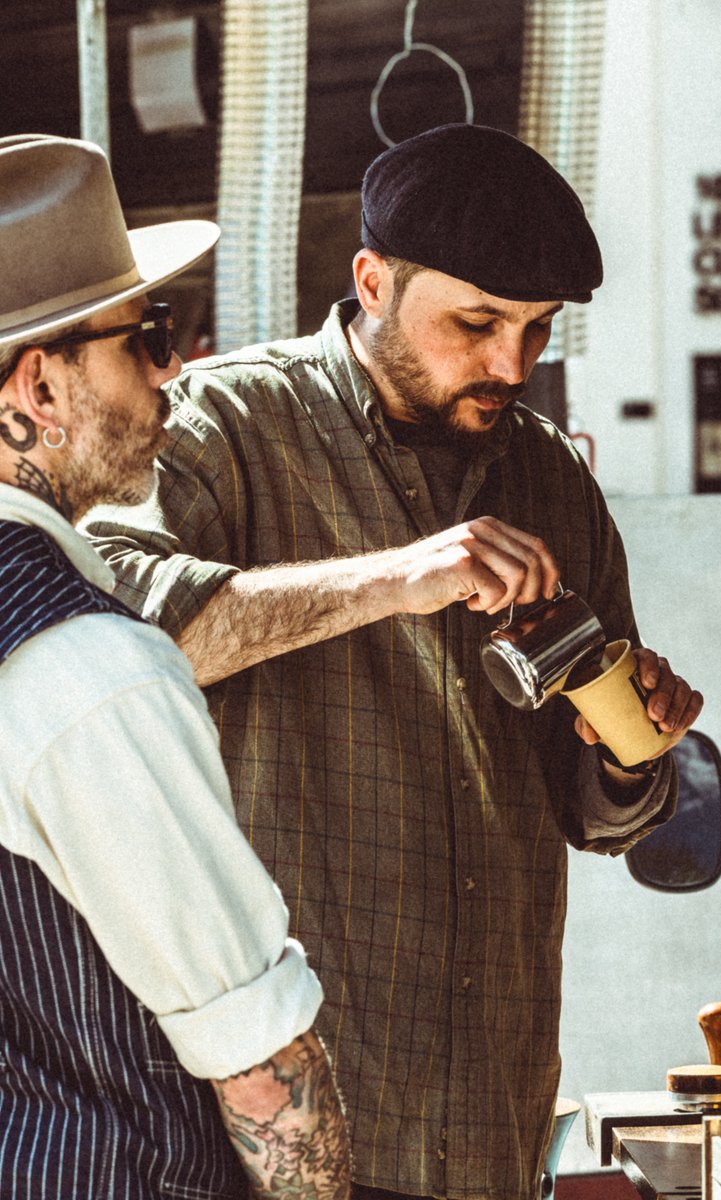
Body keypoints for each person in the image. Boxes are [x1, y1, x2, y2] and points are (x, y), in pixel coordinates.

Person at [83, 123, 703, 1200]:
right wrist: (396, 579)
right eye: (476, 323)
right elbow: (111, 629)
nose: (513, 364)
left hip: (491, 1126)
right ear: (372, 282)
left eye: (538, 331)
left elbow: (600, 816)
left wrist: (630, 748)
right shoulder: (227, 424)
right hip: (286, 1140)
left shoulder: (554, 480)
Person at [0, 134, 350, 1198]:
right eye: (147, 336)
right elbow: (263, 1071)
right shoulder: (90, 669)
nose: (175, 366)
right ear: (40, 389)